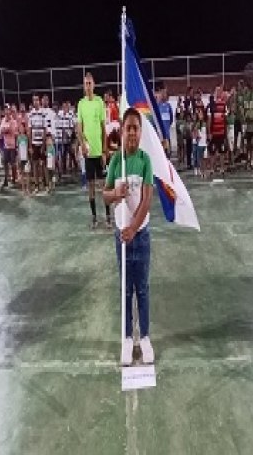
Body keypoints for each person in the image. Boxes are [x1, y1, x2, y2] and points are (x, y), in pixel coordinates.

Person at [103, 107, 155, 365]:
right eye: (128, 128)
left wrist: (133, 228)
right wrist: (116, 194)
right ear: (121, 132)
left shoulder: (145, 160)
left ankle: (144, 338)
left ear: (140, 132)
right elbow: (105, 194)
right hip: (120, 238)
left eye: (135, 128)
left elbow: (147, 200)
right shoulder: (116, 161)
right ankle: (126, 339)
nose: (132, 132)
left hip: (140, 235)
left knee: (142, 289)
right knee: (126, 290)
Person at [77, 73, 111, 228]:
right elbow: (79, 128)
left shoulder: (99, 102)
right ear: (84, 86)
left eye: (90, 83)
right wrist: (82, 143)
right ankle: (94, 217)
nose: (88, 86)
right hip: (89, 153)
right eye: (86, 84)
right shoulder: (81, 104)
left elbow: (104, 128)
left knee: (104, 185)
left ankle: (108, 217)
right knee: (90, 186)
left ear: (94, 84)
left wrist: (105, 151)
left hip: (99, 153)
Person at [208, 85, 229, 175]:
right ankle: (212, 169)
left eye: (220, 91)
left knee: (222, 151)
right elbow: (208, 119)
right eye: (217, 91)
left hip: (222, 132)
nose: (219, 93)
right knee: (212, 151)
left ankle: (222, 168)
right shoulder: (211, 104)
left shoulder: (224, 104)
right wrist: (209, 132)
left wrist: (226, 132)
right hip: (213, 132)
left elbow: (226, 119)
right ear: (215, 93)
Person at [28, 94, 46, 193]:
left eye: (37, 100)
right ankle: (36, 186)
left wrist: (43, 145)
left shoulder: (43, 113)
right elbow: (30, 130)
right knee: (34, 165)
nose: (35, 102)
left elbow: (44, 129)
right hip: (34, 144)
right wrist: (30, 146)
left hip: (41, 143)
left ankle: (44, 183)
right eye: (34, 100)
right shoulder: (30, 114)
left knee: (42, 165)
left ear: (39, 101)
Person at [157, 86, 173, 157]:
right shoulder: (157, 106)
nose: (163, 95)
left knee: (168, 153)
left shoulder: (168, 106)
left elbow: (171, 119)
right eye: (162, 93)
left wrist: (167, 126)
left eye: (164, 93)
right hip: (160, 134)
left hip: (167, 134)